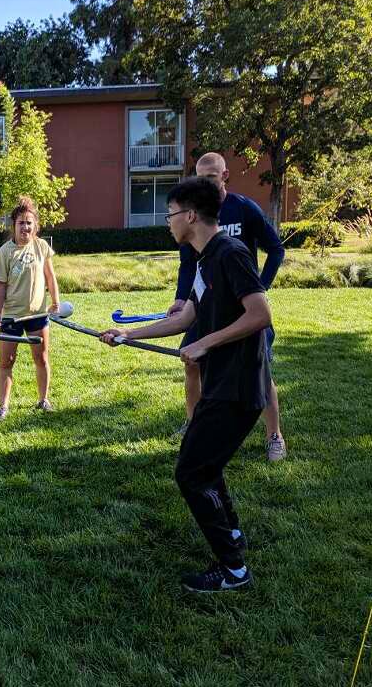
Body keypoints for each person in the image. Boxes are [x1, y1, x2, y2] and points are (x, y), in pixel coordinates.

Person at [102, 177, 271, 592]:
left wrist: (205, 344)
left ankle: (233, 571)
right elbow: (184, 319)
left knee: (192, 472)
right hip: (220, 384)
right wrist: (127, 336)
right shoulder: (202, 260)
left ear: (190, 215)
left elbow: (260, 314)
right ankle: (231, 538)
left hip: (238, 386)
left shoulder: (230, 254)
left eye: (171, 214)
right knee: (204, 465)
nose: (167, 222)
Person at [168, 152, 287, 462]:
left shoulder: (240, 217)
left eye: (210, 177)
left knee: (260, 372)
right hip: (209, 302)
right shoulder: (200, 243)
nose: (203, 183)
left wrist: (258, 287)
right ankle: (196, 426)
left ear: (224, 176)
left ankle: (274, 434)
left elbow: (275, 250)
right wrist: (181, 301)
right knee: (195, 363)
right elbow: (190, 270)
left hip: (244, 306)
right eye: (199, 177)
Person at [0, 197, 60, 421]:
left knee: (41, 359)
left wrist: (55, 302)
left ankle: (43, 400)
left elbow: (50, 276)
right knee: (6, 362)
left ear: (35, 225)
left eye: (29, 222)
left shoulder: (41, 246)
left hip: (37, 315)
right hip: (11, 316)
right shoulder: (5, 252)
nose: (25, 227)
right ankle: (3, 406)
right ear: (14, 225)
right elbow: (0, 285)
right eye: (21, 223)